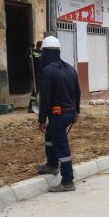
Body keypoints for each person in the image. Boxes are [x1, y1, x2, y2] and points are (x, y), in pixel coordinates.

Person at [35, 36, 81, 192]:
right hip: (69, 113)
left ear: (46, 53)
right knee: (50, 135)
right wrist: (77, 112)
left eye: (43, 54)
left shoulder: (48, 71)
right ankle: (52, 165)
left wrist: (41, 119)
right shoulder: (71, 69)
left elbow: (45, 98)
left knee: (61, 145)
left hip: (59, 115)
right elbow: (78, 93)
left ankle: (67, 181)